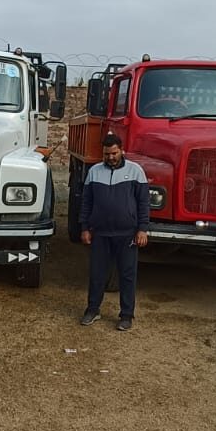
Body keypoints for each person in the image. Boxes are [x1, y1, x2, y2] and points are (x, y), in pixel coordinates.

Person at [78, 133, 149, 331]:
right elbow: (86, 202)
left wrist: (142, 229)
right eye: (107, 154)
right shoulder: (94, 172)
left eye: (114, 153)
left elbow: (143, 203)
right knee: (97, 274)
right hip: (100, 233)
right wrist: (84, 228)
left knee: (127, 275)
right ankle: (93, 310)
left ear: (121, 150)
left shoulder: (136, 171)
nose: (110, 157)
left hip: (127, 234)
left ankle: (126, 315)